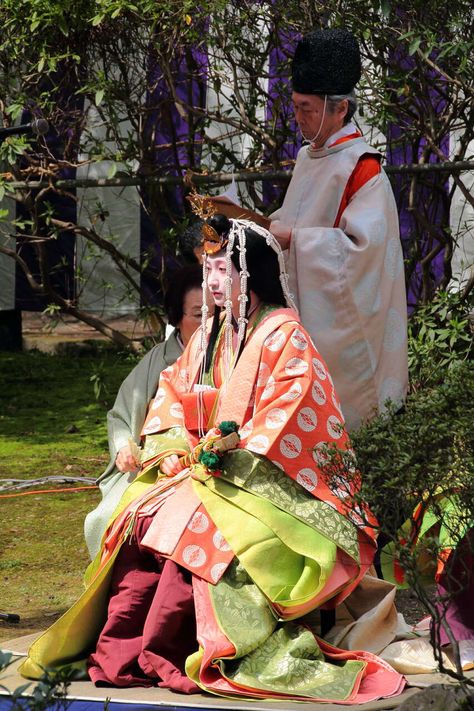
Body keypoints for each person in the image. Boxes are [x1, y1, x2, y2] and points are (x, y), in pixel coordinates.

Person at [21, 213, 404, 703]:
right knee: (139, 520)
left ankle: (181, 649)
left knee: (201, 532)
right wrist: (176, 448)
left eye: (225, 269)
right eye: (212, 269)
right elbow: (171, 395)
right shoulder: (208, 335)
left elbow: (293, 414)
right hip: (205, 469)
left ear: (252, 273)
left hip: (272, 482)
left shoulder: (286, 335)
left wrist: (229, 451)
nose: (215, 281)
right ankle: (127, 649)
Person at [270, 27, 408, 431]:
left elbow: (363, 252)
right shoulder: (307, 157)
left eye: (308, 109)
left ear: (340, 109)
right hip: (303, 308)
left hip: (343, 324)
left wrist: (295, 239)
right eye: (295, 106)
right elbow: (293, 221)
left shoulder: (363, 167)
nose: (298, 118)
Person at [84, 264, 205, 559]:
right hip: (153, 465)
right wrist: (124, 445)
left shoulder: (229, 357)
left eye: (216, 312)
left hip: (207, 461)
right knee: (108, 519)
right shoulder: (159, 361)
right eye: (199, 314)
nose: (209, 322)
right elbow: (121, 415)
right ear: (177, 318)